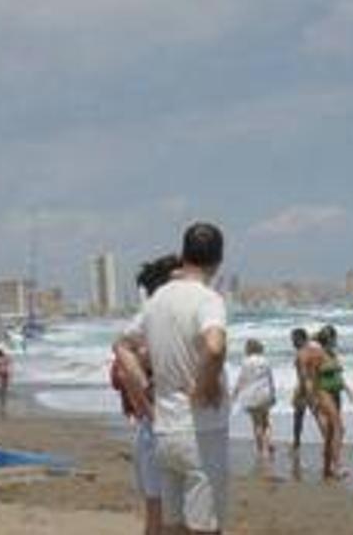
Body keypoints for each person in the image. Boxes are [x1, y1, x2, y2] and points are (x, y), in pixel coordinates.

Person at [113, 223, 230, 534]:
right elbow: (215, 347)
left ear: (183, 256)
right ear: (218, 261)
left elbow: (121, 346)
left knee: (173, 526)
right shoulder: (208, 299)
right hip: (201, 432)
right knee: (206, 527)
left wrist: (147, 385)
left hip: (165, 431)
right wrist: (203, 386)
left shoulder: (158, 300)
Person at [113, 253, 182, 535]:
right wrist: (151, 411)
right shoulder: (155, 319)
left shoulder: (151, 319)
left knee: (159, 515)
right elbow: (124, 368)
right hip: (160, 432)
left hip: (152, 431)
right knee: (165, 516)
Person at [312, 324, 351, 480]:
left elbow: (337, 375)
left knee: (331, 433)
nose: (336, 340)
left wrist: (347, 389)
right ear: (329, 339)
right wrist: (314, 397)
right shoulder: (318, 355)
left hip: (336, 394)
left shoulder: (332, 354)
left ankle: (329, 467)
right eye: (334, 337)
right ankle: (337, 466)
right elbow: (313, 376)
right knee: (338, 429)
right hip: (324, 393)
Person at [232, 338, 276, 463]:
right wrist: (273, 394)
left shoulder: (246, 362)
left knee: (257, 424)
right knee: (266, 421)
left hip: (252, 396)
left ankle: (261, 450)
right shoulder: (265, 361)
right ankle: (269, 444)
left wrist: (234, 395)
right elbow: (270, 379)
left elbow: (241, 380)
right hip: (265, 394)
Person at [288, 327, 312, 457]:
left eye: (293, 339)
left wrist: (297, 392)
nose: (292, 342)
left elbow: (303, 376)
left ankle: (296, 443)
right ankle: (296, 443)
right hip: (314, 387)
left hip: (304, 389)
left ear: (300, 339)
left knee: (298, 417)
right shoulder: (312, 351)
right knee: (316, 417)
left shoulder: (301, 353)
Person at [0, 345, 14, 417]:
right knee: (2, 389)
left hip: (2, 373)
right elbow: (10, 362)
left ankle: (2, 403)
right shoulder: (3, 358)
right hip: (3, 373)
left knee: (2, 389)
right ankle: (2, 403)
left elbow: (9, 364)